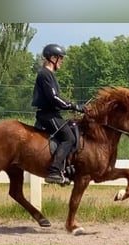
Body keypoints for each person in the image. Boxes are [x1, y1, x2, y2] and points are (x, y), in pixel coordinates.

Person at [32, 43, 86, 185]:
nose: (62, 61)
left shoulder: (50, 75)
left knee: (73, 129)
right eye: (60, 58)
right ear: (52, 58)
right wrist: (75, 106)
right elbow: (54, 98)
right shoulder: (45, 74)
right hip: (47, 115)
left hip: (53, 114)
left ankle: (65, 169)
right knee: (68, 138)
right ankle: (54, 171)